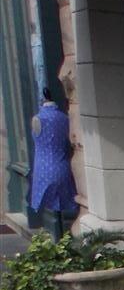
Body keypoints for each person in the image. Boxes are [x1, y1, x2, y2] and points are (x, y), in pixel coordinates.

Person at [29, 89, 76, 239]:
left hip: (43, 167)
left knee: (50, 203)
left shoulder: (38, 119)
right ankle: (63, 238)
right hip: (62, 166)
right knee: (63, 202)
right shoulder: (64, 118)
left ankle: (59, 241)